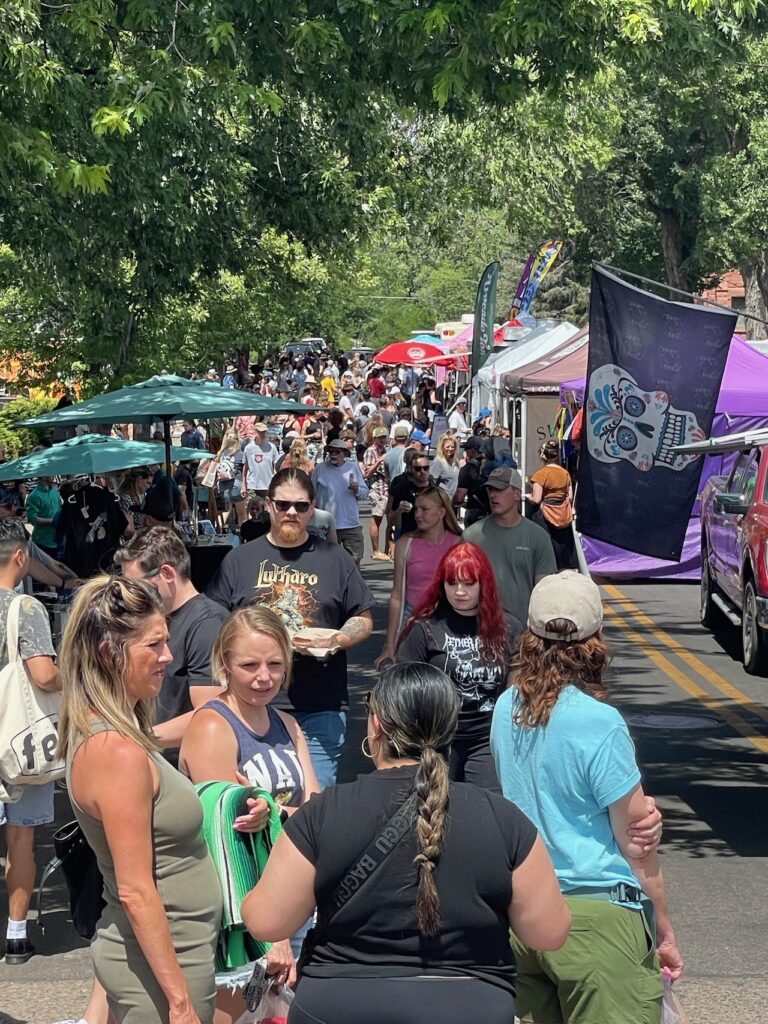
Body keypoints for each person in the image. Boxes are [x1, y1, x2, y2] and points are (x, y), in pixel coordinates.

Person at [241, 663, 571, 1024]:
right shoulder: (503, 819)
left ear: (377, 723)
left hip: (338, 1007)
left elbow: (267, 922)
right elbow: (549, 933)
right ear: (449, 727)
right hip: (469, 1007)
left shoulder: (323, 814)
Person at [491, 571, 682, 1024]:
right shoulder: (600, 722)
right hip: (598, 917)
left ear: (530, 636)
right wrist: (663, 929)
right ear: (596, 635)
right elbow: (638, 842)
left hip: (527, 914)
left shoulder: (505, 708)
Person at [58, 576, 222, 1024]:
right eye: (154, 645)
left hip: (173, 953)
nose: (168, 657)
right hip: (163, 969)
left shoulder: (119, 733)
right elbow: (134, 889)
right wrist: (179, 1001)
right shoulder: (116, 751)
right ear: (110, 653)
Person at [180, 607, 321, 1020]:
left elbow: (317, 809)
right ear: (224, 664)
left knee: (273, 1012)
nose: (264, 677)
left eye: (275, 664)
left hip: (293, 900)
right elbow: (228, 838)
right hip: (244, 915)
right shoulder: (212, 728)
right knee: (241, 1012)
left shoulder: (287, 724)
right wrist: (268, 932)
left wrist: (273, 809)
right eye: (249, 665)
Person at [206, 469, 374, 788]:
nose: (291, 513)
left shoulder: (335, 558)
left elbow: (363, 618)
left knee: (312, 807)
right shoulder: (240, 559)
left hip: (320, 704)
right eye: (283, 505)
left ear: (313, 508)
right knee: (258, 803)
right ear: (269, 505)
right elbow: (216, 621)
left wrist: (338, 638)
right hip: (253, 706)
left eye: (300, 505)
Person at [396, 542, 520, 790]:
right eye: (452, 584)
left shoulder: (510, 627)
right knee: (434, 811)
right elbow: (401, 686)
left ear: (483, 584)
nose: (460, 592)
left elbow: (518, 691)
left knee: (489, 810)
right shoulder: (425, 628)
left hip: (487, 739)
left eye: (468, 583)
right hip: (437, 740)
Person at [0, 519, 60, 965]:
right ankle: (16, 935)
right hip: (16, 738)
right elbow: (43, 674)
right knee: (21, 839)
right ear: (20, 557)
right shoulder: (25, 609)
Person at [115, 527, 227, 763]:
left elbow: (211, 714)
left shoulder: (207, 624)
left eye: (135, 586)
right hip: (151, 756)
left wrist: (137, 737)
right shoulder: (157, 617)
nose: (130, 595)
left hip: (183, 768)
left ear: (166, 573)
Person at [377, 486, 461, 668]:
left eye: (425, 509)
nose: (418, 515)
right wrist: (390, 644)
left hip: (446, 620)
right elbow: (397, 596)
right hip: (412, 619)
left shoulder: (458, 544)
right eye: (416, 509)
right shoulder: (405, 544)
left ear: (441, 512)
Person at [464, 467, 556, 627]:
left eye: (499, 489)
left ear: (516, 493)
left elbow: (545, 593)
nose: (492, 495)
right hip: (479, 634)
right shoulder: (471, 536)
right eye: (490, 489)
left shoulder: (538, 537)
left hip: (524, 636)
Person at [313, 439, 369, 564]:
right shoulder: (320, 469)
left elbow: (365, 494)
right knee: (329, 563)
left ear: (344, 454)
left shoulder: (353, 467)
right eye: (330, 452)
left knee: (354, 562)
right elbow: (312, 495)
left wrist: (357, 489)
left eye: (336, 452)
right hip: (326, 525)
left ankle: (352, 584)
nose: (333, 455)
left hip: (350, 524)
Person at [529, 439, 578, 571]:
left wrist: (528, 497)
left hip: (544, 515)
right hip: (562, 513)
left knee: (545, 543)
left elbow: (537, 499)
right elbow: (570, 496)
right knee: (562, 545)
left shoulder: (540, 475)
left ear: (543, 456)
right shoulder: (565, 473)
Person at [386, 450, 432, 538]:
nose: (422, 472)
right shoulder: (402, 487)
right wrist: (399, 510)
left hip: (431, 539)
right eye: (418, 469)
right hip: (408, 538)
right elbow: (390, 519)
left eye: (426, 468)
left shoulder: (434, 486)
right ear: (410, 468)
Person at [363, 426, 390, 560]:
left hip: (387, 488)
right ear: (374, 438)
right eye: (379, 438)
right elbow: (366, 473)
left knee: (391, 521)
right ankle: (375, 550)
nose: (382, 440)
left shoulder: (385, 450)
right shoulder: (371, 451)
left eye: (384, 437)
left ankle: (387, 549)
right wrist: (379, 461)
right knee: (377, 519)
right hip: (377, 488)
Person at [25, 475, 62, 559]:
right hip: (42, 540)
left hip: (57, 538)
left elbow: (60, 508)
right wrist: (52, 521)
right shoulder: (34, 495)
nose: (54, 475)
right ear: (44, 476)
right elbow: (32, 518)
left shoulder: (54, 491)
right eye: (51, 473)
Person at [453, 436, 486, 523]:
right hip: (491, 513)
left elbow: (459, 498)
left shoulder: (467, 470)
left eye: (466, 450)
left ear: (472, 451)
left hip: (475, 513)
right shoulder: (490, 467)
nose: (465, 452)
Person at [243, 422, 279, 498]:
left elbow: (275, 466)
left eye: (264, 432)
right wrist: (244, 484)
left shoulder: (272, 447)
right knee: (251, 507)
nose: (262, 434)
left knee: (266, 508)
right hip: (252, 485)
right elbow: (245, 468)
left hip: (267, 485)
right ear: (255, 432)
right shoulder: (248, 448)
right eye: (260, 432)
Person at [429, 432, 460, 499]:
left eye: (452, 447)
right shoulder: (438, 462)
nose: (450, 449)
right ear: (442, 447)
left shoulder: (455, 461)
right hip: (442, 501)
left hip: (453, 501)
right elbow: (431, 483)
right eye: (447, 447)